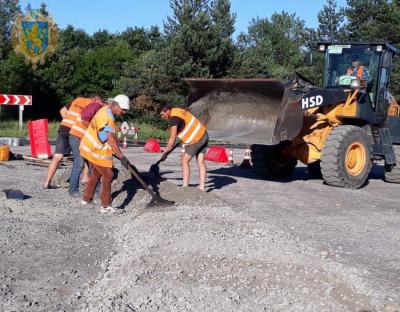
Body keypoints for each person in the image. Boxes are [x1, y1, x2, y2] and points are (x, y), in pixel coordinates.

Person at [80, 95, 131, 213]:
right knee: (108, 174)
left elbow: (108, 136)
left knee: (97, 172)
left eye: (125, 110)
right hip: (94, 150)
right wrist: (121, 157)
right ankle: (106, 206)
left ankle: (86, 199)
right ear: (115, 105)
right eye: (123, 109)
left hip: (92, 147)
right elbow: (110, 139)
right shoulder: (107, 117)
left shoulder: (104, 110)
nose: (123, 112)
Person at [43, 97, 100, 190]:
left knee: (57, 156)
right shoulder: (94, 105)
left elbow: (62, 111)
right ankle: (85, 177)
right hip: (77, 131)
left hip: (64, 127)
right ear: (96, 99)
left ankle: (47, 182)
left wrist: (67, 121)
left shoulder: (77, 100)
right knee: (85, 154)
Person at [159, 104, 209, 191]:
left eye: (162, 114)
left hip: (196, 138)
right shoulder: (177, 110)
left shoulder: (174, 118)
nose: (162, 117)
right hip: (204, 134)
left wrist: (165, 153)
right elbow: (185, 125)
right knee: (200, 162)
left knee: (184, 161)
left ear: (167, 111)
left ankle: (185, 187)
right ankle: (202, 188)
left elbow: (172, 138)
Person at [67, 96, 105, 196]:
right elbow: (84, 118)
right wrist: (92, 130)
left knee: (93, 164)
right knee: (79, 164)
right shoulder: (97, 105)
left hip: (84, 139)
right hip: (77, 136)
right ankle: (73, 190)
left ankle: (95, 189)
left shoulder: (99, 109)